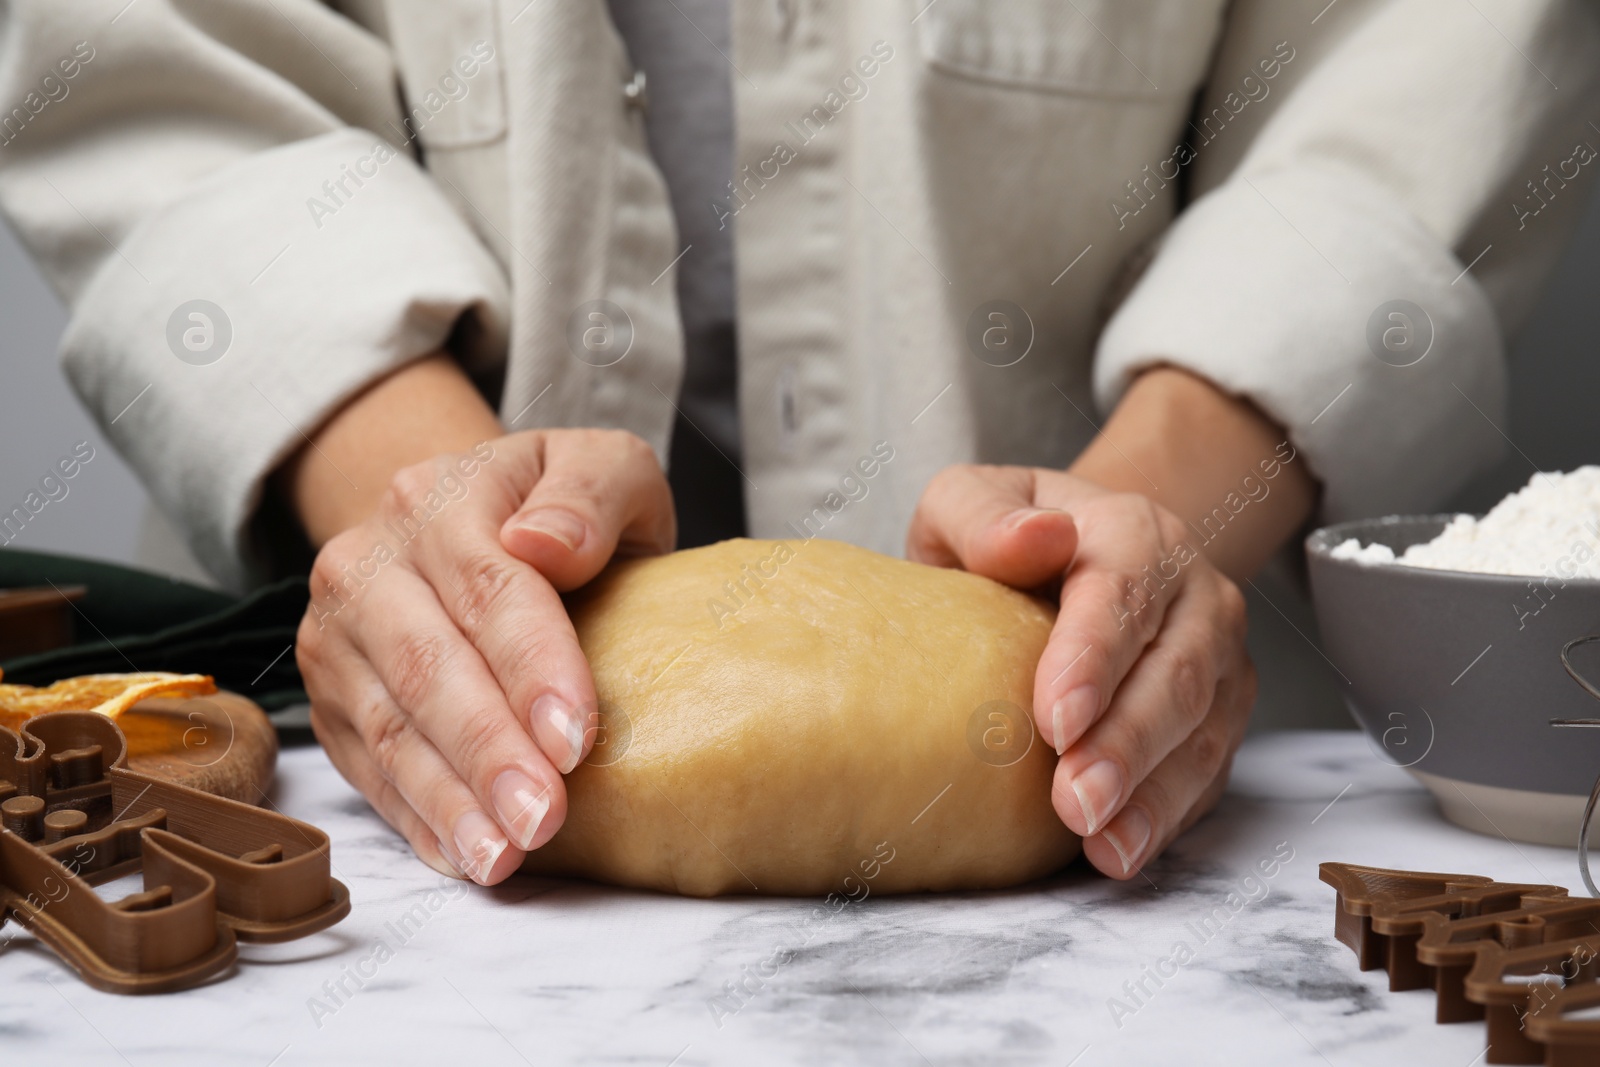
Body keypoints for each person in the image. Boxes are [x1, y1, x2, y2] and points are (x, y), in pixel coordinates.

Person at [1, 0, 1595, 887]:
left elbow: (1417, 60)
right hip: (388, 820)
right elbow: (160, 63)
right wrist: (435, 537)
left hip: (1163, 807)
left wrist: (1119, 538)